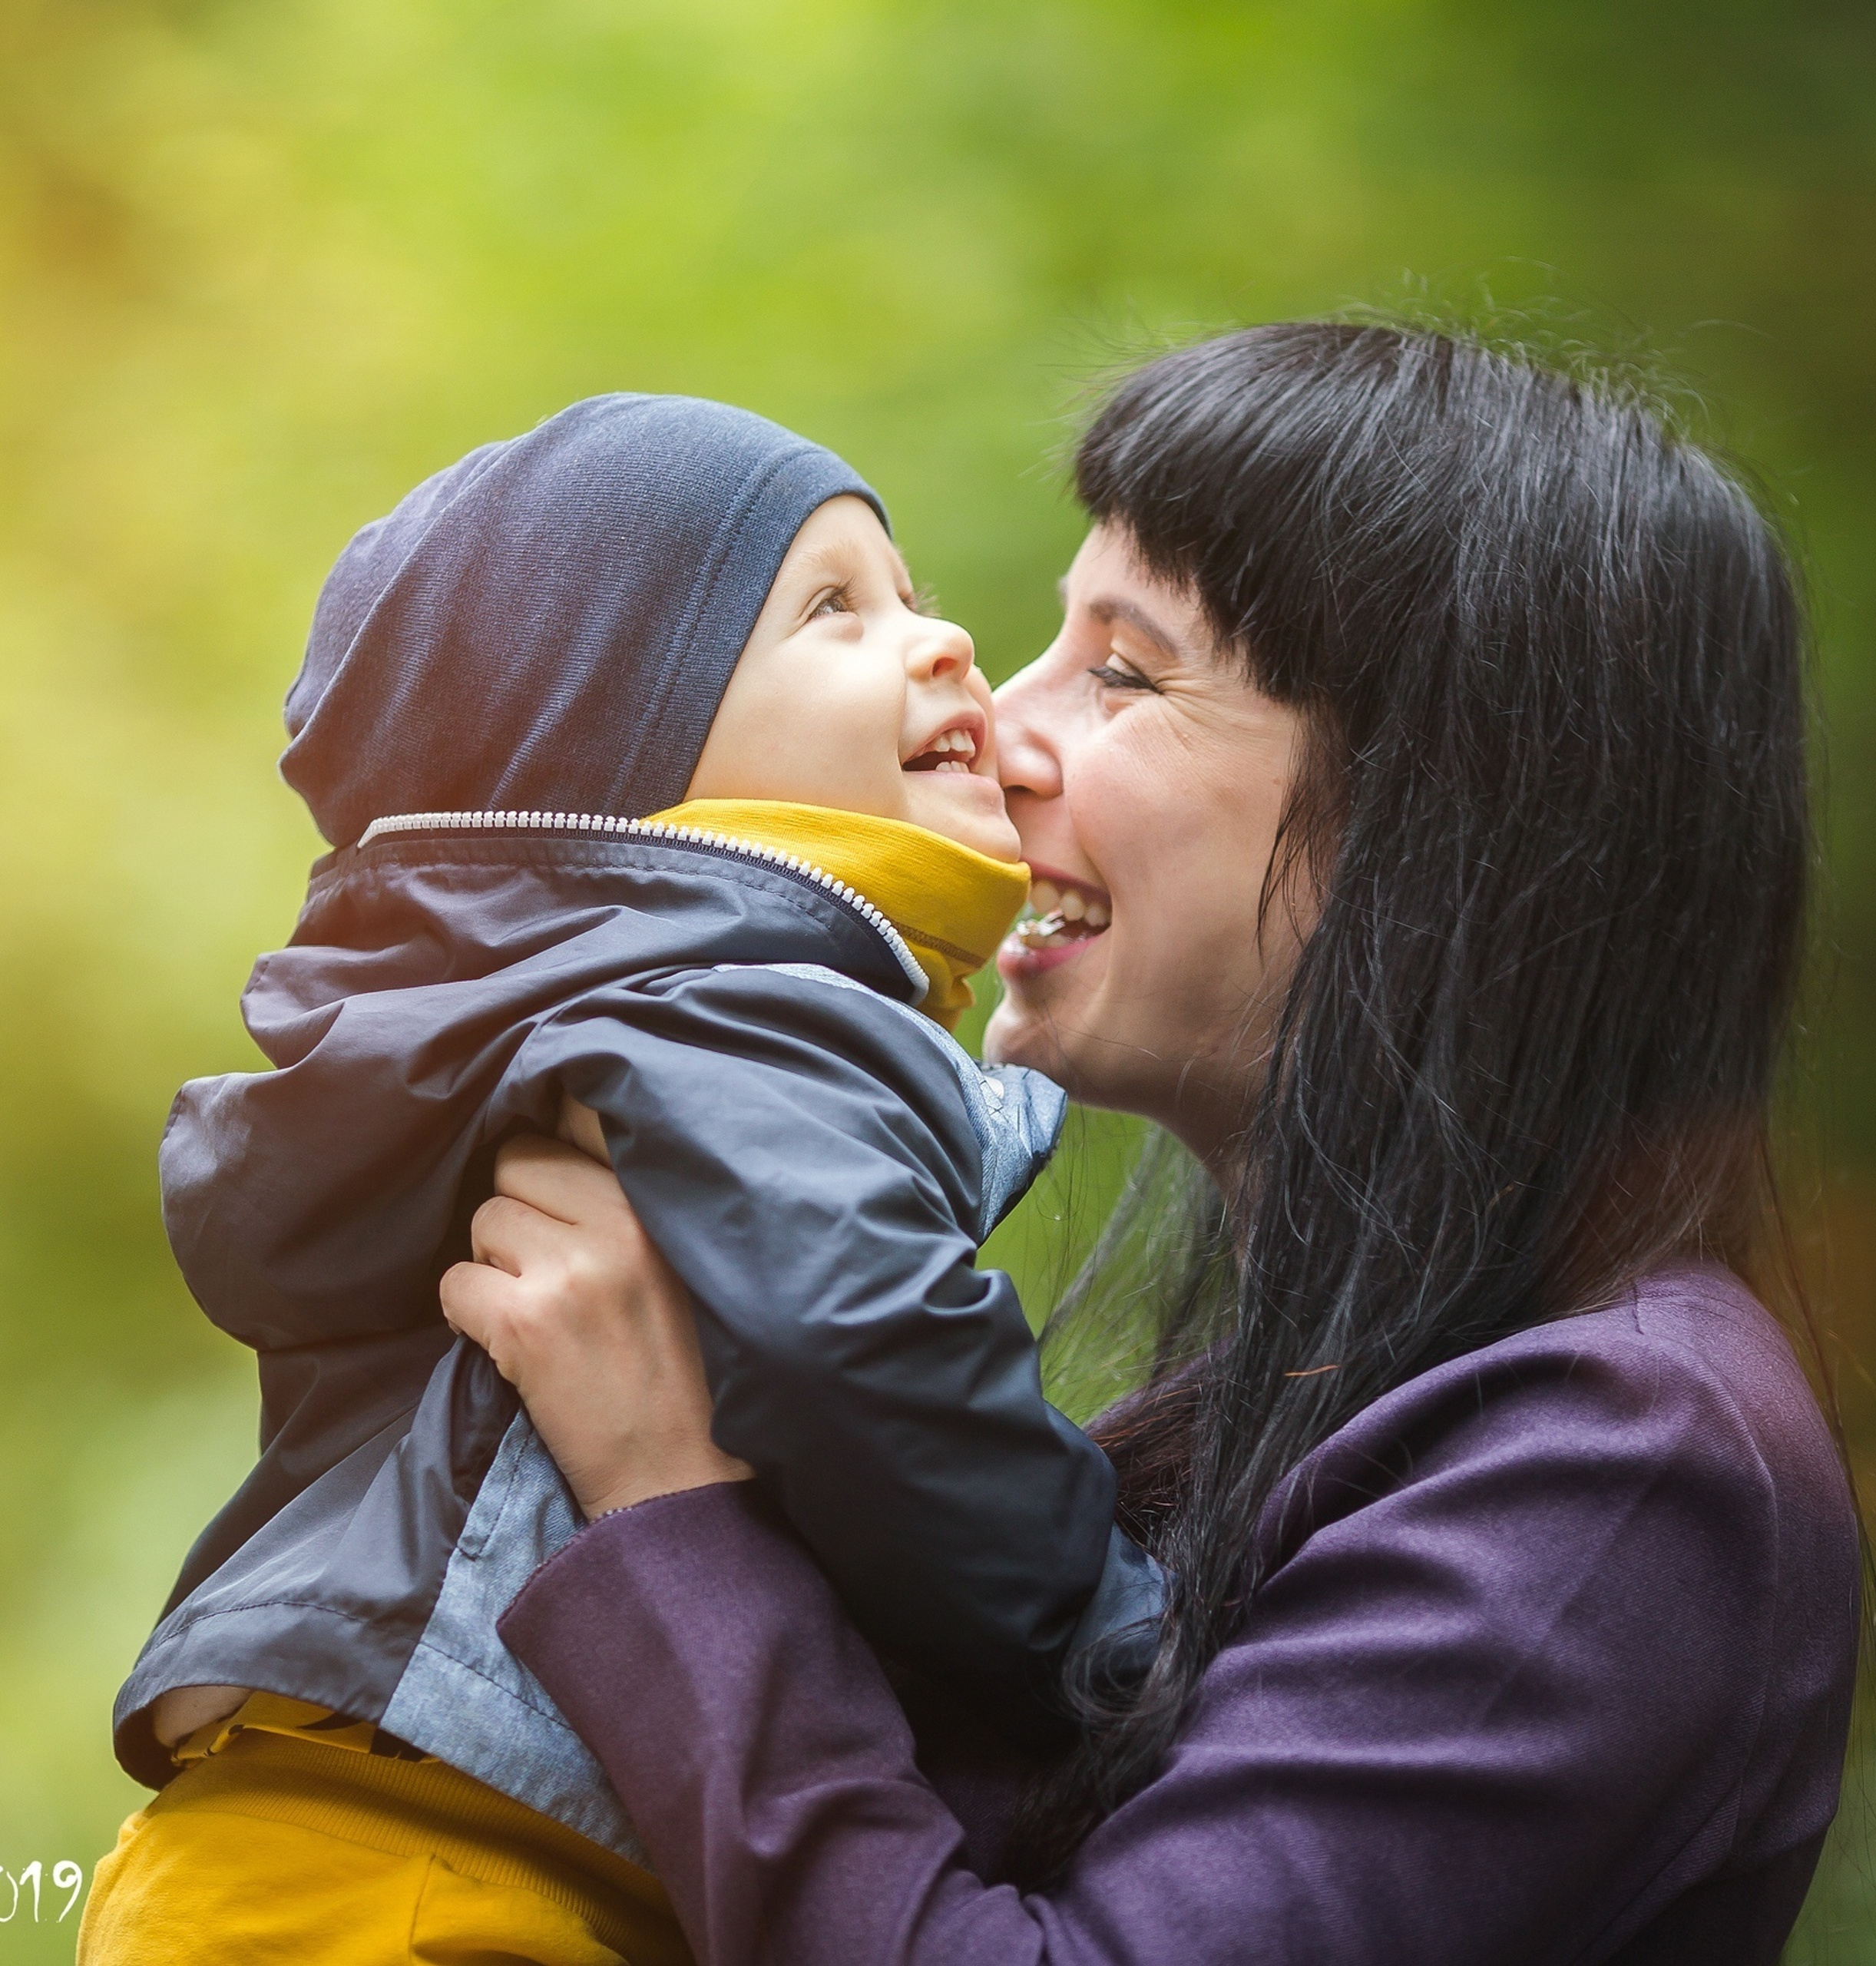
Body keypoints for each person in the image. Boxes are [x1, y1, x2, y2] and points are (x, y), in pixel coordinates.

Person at [445, 322, 1864, 1964]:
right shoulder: (1287, 1405)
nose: (995, 726)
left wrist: (665, 1503)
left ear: (1439, 817)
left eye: (1121, 671)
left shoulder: (1627, 1466)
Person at [81, 395, 1163, 1966]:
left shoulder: (605, 1006)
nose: (940, 644)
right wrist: (1109, 1630)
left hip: (333, 1848)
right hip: (423, 1868)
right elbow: (864, 1339)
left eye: (914, 594)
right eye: (831, 608)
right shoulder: (735, 1005)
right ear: (619, 761)